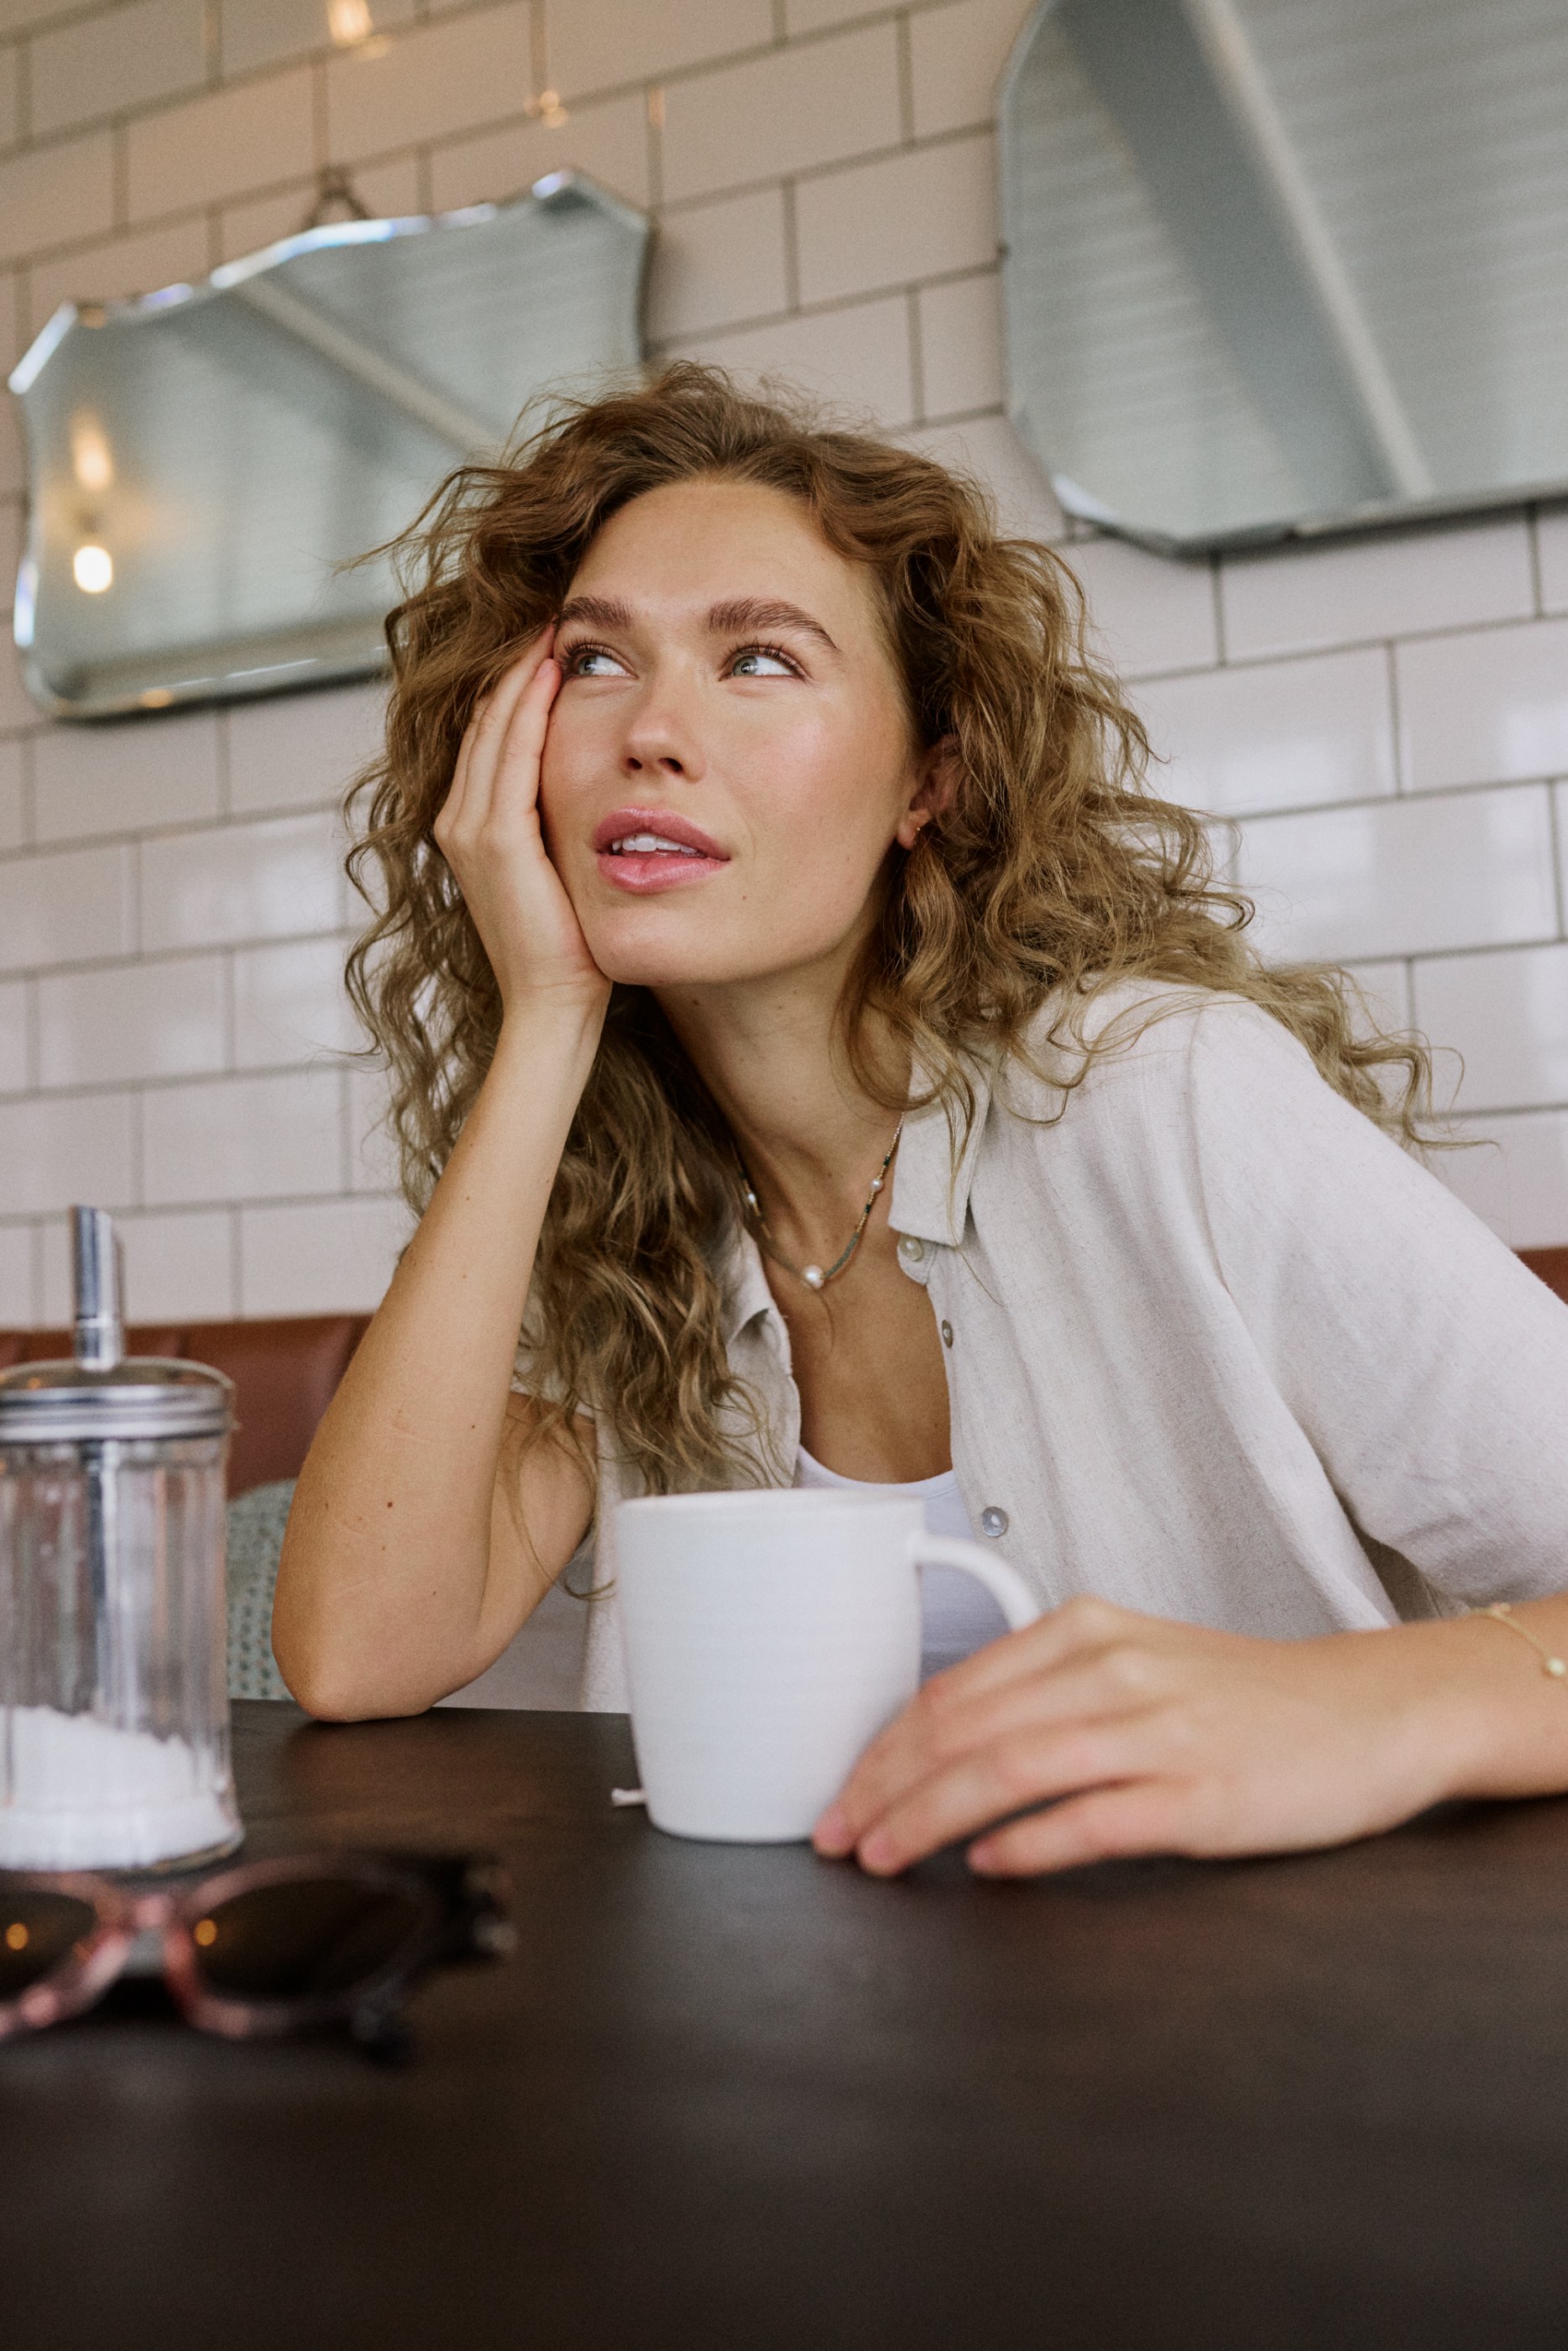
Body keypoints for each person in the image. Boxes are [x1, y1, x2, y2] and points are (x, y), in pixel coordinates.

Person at [273, 365, 1568, 1879]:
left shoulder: (1172, 1096)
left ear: (927, 783)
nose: (654, 733)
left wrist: (1343, 1709)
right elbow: (360, 1656)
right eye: (595, 663)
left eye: (758, 660)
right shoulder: (620, 1225)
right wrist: (547, 1022)